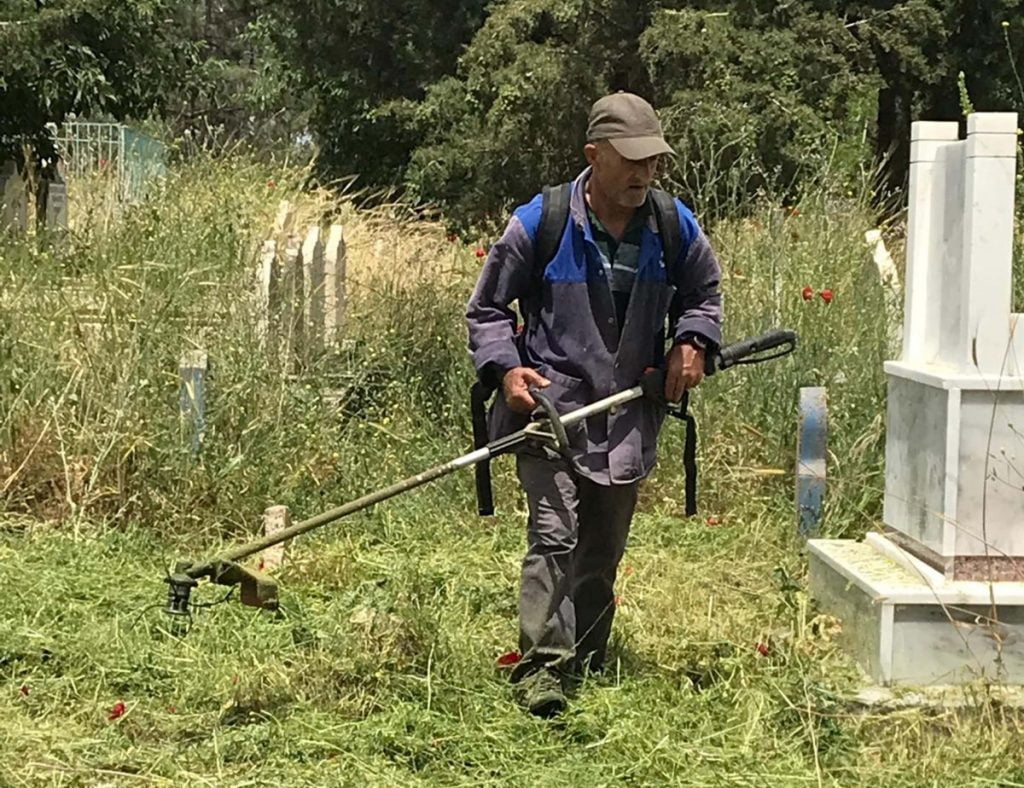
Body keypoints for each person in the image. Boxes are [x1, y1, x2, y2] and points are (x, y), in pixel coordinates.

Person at [466, 92, 723, 717]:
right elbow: (487, 310)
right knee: (554, 535)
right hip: (550, 409)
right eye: (630, 160)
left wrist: (693, 342)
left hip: (628, 414)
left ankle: (586, 654)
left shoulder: (672, 225)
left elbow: (704, 294)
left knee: (602, 548)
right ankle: (542, 668)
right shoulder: (543, 222)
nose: (644, 173)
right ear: (594, 156)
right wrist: (506, 370)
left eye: (652, 161)